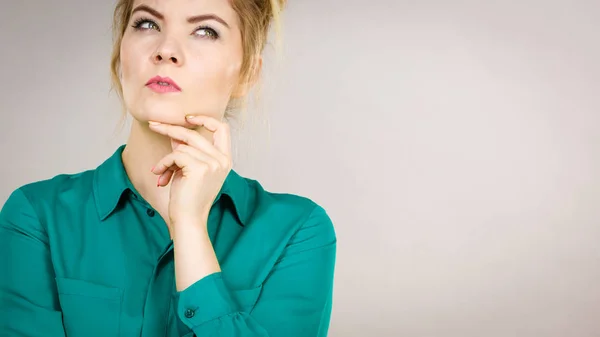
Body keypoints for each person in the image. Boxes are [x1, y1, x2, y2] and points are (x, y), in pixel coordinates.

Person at [0, 0, 337, 336]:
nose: (165, 50)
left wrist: (190, 228)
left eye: (205, 31)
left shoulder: (298, 232)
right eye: (147, 24)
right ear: (120, 53)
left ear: (247, 73)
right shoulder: (36, 216)